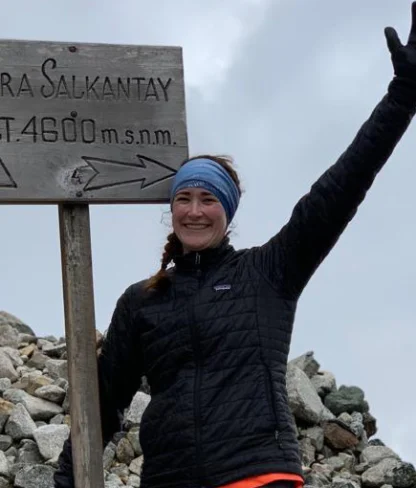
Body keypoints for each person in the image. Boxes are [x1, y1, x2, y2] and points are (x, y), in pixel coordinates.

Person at [54, 4, 416, 488]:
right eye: (183, 198)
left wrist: (403, 97)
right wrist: (62, 479)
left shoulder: (269, 271)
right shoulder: (142, 301)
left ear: (227, 212)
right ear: (171, 210)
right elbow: (100, 402)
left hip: (258, 474)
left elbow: (342, 187)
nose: (194, 210)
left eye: (208, 199)